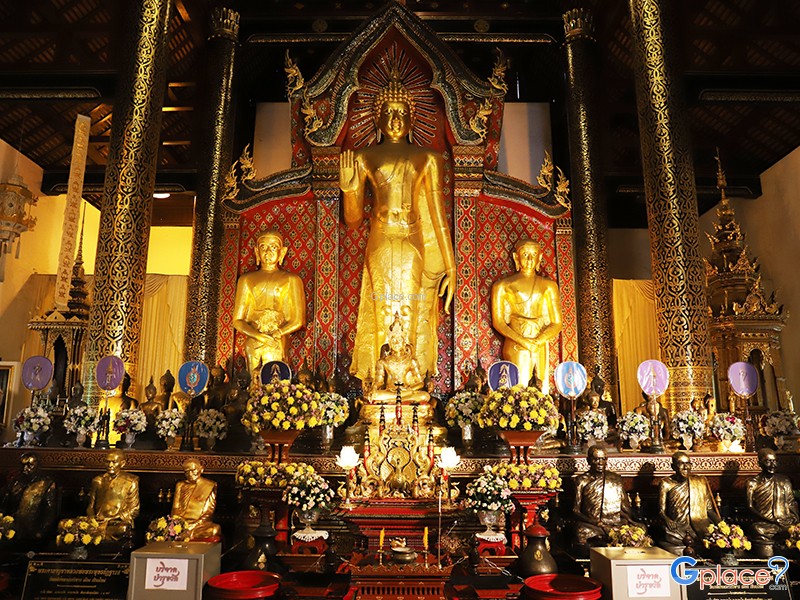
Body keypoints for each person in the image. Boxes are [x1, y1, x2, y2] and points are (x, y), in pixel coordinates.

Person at [339, 68, 456, 385]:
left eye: (401, 112)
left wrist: (451, 265)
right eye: (388, 112)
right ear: (377, 117)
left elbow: (438, 215)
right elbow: (353, 219)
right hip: (380, 240)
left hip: (412, 242)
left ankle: (409, 378)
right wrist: (350, 190)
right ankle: (381, 381)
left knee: (409, 309)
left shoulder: (428, 158)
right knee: (382, 310)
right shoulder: (363, 156)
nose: (394, 119)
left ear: (412, 117)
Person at [491, 239, 563, 394]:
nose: (530, 259)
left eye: (533, 255)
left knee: (542, 389)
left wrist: (537, 341)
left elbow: (557, 323)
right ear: (516, 258)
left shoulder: (549, 286)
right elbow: (499, 322)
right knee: (518, 389)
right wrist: (524, 341)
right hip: (516, 342)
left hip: (539, 343)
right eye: (525, 254)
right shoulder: (502, 286)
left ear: (540, 257)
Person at [233, 230, 307, 374]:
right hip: (254, 339)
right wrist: (258, 335)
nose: (268, 251)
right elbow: (237, 320)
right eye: (263, 247)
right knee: (253, 384)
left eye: (273, 247)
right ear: (256, 251)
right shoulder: (246, 280)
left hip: (277, 340)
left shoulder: (291, 280)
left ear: (282, 252)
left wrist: (278, 333)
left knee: (275, 384)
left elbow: (298, 320)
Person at [572, 445, 643, 548]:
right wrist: (595, 522)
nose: (600, 463)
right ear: (588, 460)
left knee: (641, 530)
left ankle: (613, 537)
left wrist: (628, 520)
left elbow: (625, 508)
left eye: (603, 459)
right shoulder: (582, 480)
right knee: (581, 531)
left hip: (615, 524)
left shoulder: (615, 479)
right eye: (596, 459)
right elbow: (575, 511)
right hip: (594, 525)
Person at [656, 451, 720, 552]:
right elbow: (661, 510)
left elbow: (709, 509)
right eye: (681, 463)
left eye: (688, 464)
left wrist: (720, 524)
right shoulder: (666, 483)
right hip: (678, 526)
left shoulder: (700, 482)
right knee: (669, 534)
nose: (686, 467)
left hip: (698, 523)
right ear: (673, 467)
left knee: (710, 534)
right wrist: (667, 520)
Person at [746, 448, 799, 556]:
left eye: (774, 461)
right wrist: (771, 520)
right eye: (768, 461)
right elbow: (750, 507)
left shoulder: (784, 480)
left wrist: (794, 517)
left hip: (785, 521)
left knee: (794, 530)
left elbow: (791, 502)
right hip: (766, 523)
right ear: (759, 463)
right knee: (757, 529)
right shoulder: (752, 483)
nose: (772, 465)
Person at [369, 313, 428, 404]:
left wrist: (408, 389)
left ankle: (389, 402)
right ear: (389, 343)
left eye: (399, 340)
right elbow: (379, 382)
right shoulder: (383, 361)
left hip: (406, 392)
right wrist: (374, 388)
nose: (396, 343)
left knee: (424, 396)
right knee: (375, 395)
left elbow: (420, 383)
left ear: (404, 343)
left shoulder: (411, 361)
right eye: (393, 340)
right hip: (390, 391)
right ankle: (393, 400)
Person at [0, 452, 57, 540]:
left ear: (38, 466)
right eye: (22, 465)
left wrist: (41, 532)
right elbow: (4, 505)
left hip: (34, 532)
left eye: (30, 465)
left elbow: (50, 512)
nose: (25, 468)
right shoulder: (14, 482)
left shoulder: (46, 484)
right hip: (11, 531)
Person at [86, 450, 140, 541]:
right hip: (97, 521)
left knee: (122, 529)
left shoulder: (131, 481)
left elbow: (134, 509)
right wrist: (92, 519)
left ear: (122, 463)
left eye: (114, 462)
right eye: (107, 462)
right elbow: (91, 506)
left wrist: (111, 518)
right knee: (63, 524)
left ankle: (97, 536)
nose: (110, 465)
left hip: (115, 522)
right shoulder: (97, 480)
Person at [171, 459, 222, 541]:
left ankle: (185, 534)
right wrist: (177, 524)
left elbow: (208, 512)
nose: (190, 474)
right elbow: (175, 508)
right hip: (181, 524)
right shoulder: (180, 485)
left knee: (214, 530)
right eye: (186, 472)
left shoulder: (209, 485)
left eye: (193, 470)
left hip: (199, 525)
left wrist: (193, 525)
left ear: (201, 469)